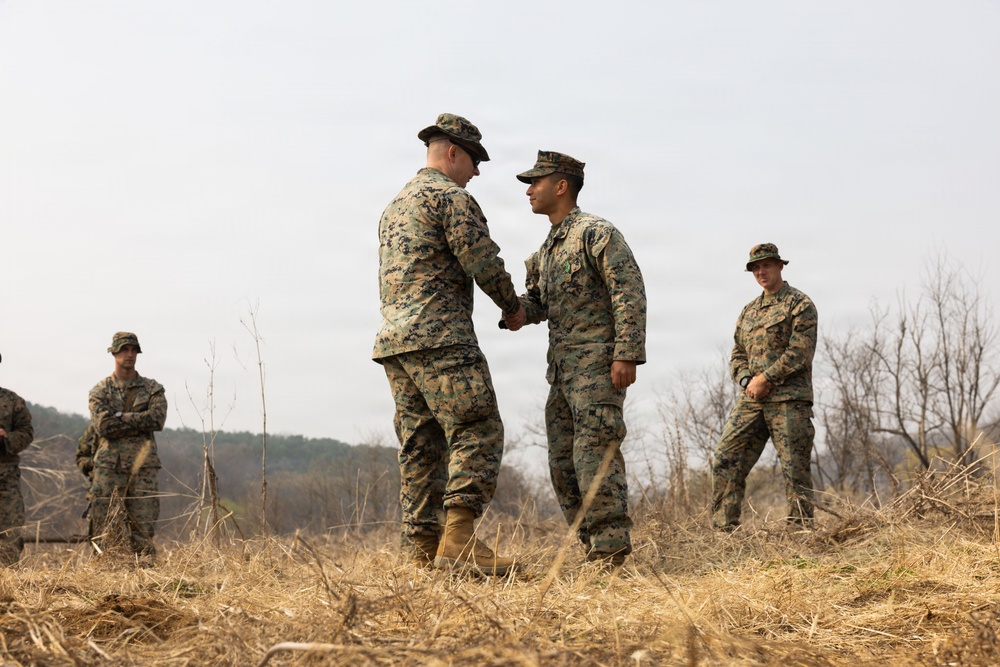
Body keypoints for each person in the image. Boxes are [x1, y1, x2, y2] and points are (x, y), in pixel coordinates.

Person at [373, 113, 526, 575]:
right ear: (453, 153)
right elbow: (481, 257)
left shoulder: (396, 204)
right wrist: (511, 305)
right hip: (441, 337)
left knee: (422, 445)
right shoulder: (450, 198)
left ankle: (420, 553)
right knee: (477, 428)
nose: (477, 172)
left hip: (397, 343)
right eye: (475, 161)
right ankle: (458, 541)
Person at [509, 150, 647, 568]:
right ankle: (591, 547)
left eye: (536, 182)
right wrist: (515, 310)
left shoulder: (596, 233)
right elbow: (538, 304)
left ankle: (611, 550)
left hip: (598, 369)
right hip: (561, 374)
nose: (529, 190)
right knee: (562, 463)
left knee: (594, 456)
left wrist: (627, 354)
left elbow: (629, 291)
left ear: (561, 186)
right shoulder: (547, 249)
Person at [711, 243, 818, 530]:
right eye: (756, 268)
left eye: (766, 265)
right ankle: (724, 530)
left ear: (779, 266)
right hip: (752, 400)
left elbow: (800, 351)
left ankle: (800, 532)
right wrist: (748, 380)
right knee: (725, 458)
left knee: (795, 470)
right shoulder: (748, 312)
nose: (761, 271)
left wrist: (766, 378)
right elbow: (737, 354)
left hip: (789, 399)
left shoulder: (799, 304)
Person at [88, 332, 167, 560]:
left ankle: (143, 579)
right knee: (104, 529)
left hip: (144, 469)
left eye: (133, 350)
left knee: (143, 528)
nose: (129, 355)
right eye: (124, 350)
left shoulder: (153, 389)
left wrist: (121, 416)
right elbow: (104, 426)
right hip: (109, 468)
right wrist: (137, 419)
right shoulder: (100, 391)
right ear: (114, 353)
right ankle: (103, 578)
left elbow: (156, 420)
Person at [0, 353, 34, 566]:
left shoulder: (12, 402)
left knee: (10, 532)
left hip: (6, 479)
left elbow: (27, 433)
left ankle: (6, 581)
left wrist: (6, 438)